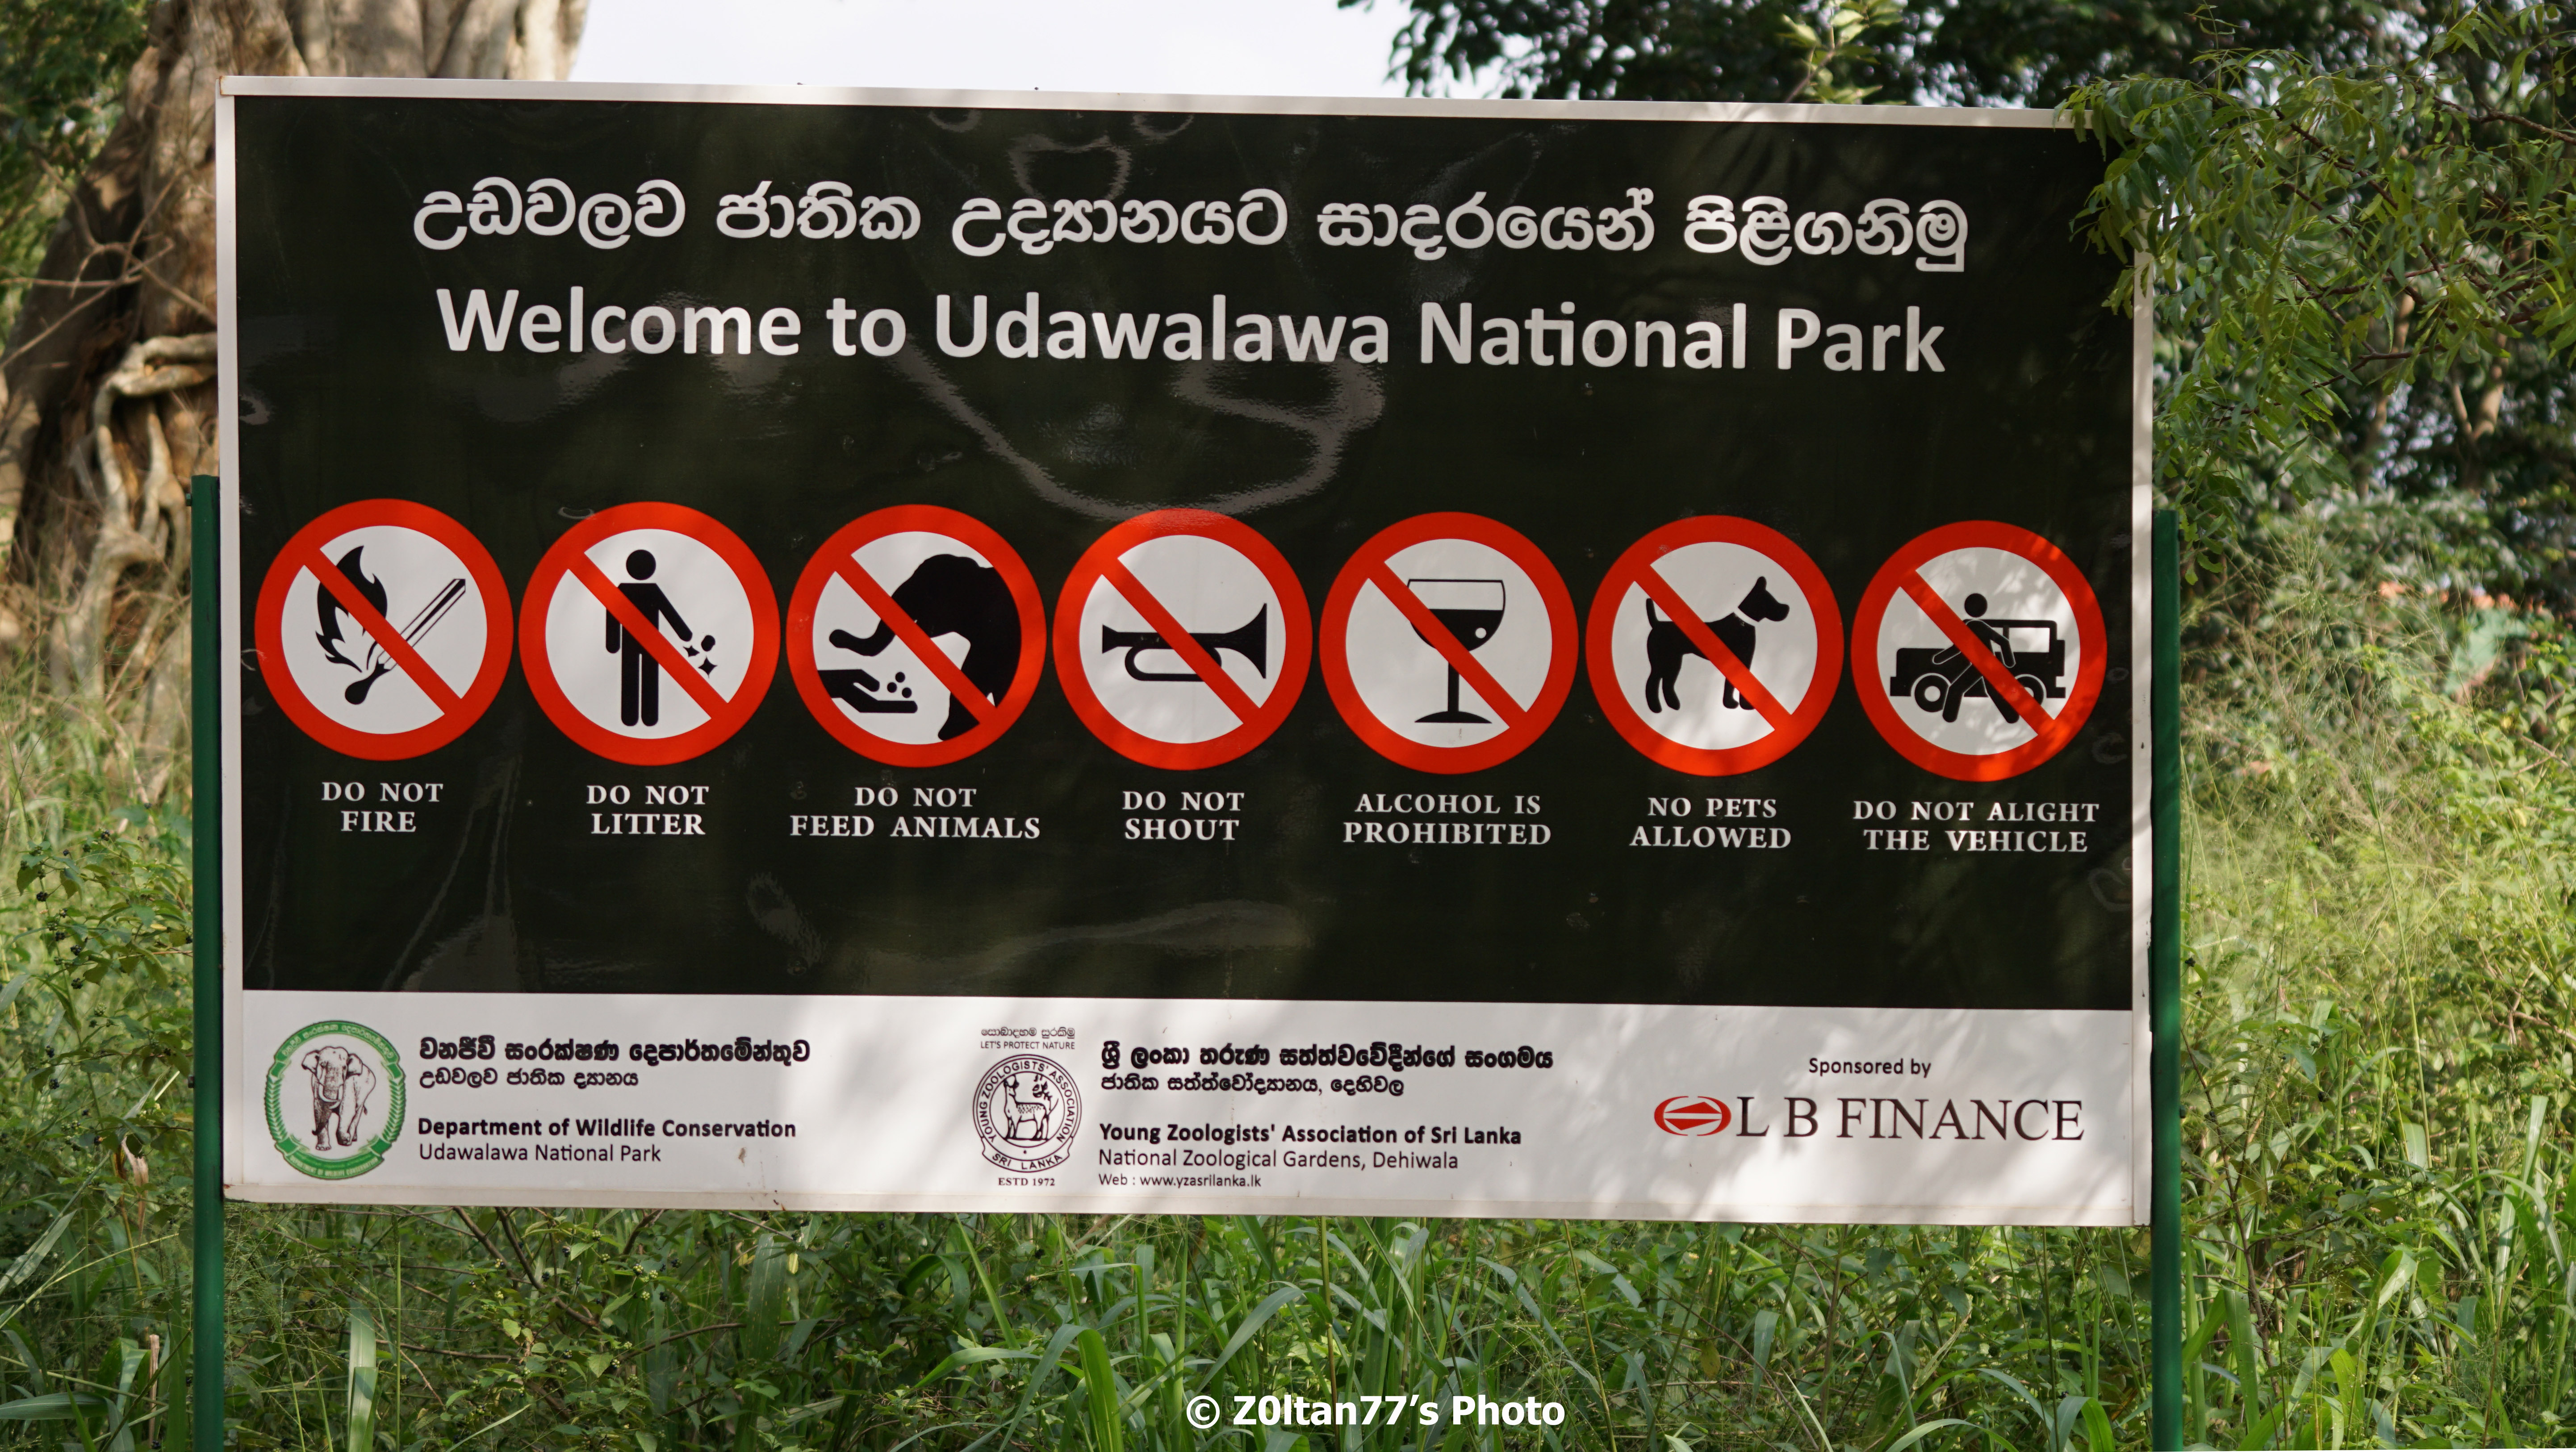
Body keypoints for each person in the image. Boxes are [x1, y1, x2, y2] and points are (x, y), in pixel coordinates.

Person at [606, 549, 693, 727]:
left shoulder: (625, 590)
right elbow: (670, 614)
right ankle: (648, 716)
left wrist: (613, 643)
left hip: (634, 643)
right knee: (648, 677)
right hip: (650, 644)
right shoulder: (650, 591)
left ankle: (632, 717)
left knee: (633, 676)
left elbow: (612, 617)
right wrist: (684, 634)